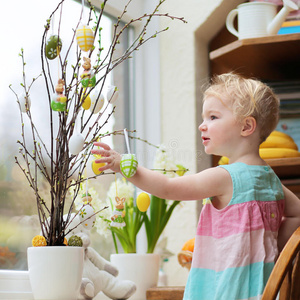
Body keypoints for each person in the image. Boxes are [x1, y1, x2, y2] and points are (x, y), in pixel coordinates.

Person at [91, 73, 300, 300]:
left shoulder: (224, 177)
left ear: (246, 126)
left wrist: (124, 166)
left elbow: (168, 188)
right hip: (264, 291)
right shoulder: (270, 179)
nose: (202, 126)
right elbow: (297, 214)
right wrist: (270, 247)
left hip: (225, 292)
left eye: (213, 117)